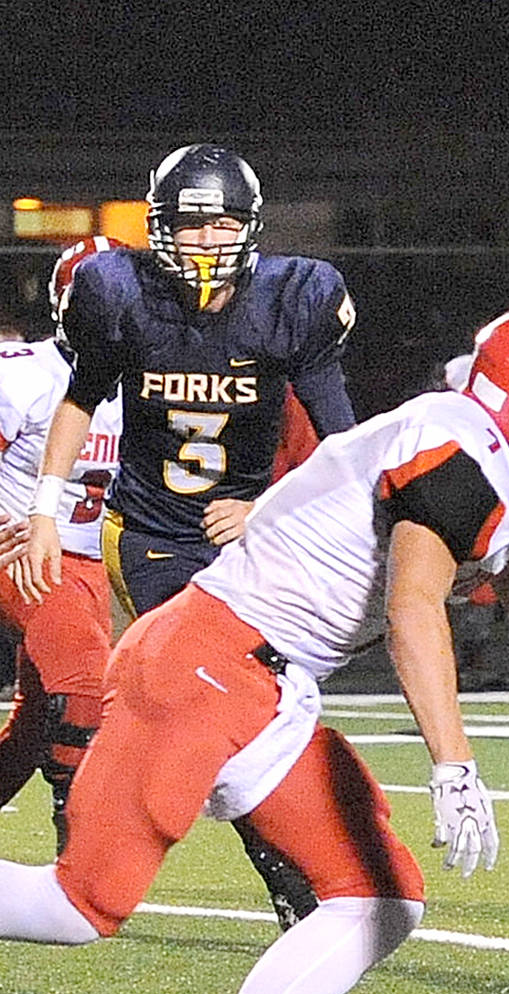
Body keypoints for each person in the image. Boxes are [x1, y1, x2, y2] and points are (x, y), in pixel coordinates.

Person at [0, 304, 509, 994]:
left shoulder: (462, 444)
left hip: (256, 677)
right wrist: (453, 765)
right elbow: (414, 610)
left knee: (378, 895)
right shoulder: (457, 454)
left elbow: (502, 563)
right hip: (209, 662)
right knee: (79, 904)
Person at [16, 143, 361, 929]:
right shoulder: (119, 294)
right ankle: (285, 873)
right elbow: (79, 400)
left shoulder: (292, 298)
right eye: (190, 224)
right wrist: (44, 510)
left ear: (250, 227)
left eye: (221, 225)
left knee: (269, 700)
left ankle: (287, 863)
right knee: (225, 692)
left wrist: (269, 507)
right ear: (161, 226)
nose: (205, 241)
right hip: (153, 532)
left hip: (254, 536)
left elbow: (341, 446)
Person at [0, 236, 123, 848]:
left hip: (93, 563)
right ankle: (82, 836)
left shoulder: (147, 387)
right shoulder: (23, 378)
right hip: (21, 550)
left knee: (38, 717)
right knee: (83, 686)